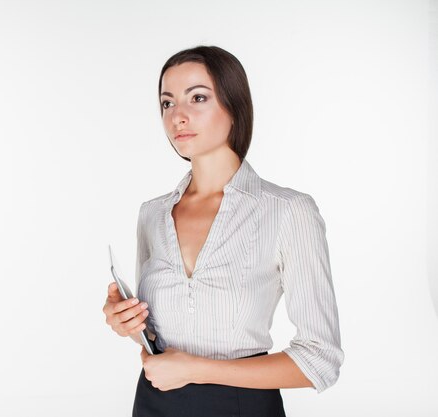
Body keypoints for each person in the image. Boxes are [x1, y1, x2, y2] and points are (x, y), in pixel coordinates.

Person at [102, 45, 344, 417]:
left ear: (234, 105)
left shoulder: (287, 211)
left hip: (240, 406)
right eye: (167, 103)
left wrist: (198, 369)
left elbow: (320, 359)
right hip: (154, 403)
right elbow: (155, 335)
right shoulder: (151, 214)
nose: (178, 116)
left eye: (197, 97)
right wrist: (127, 323)